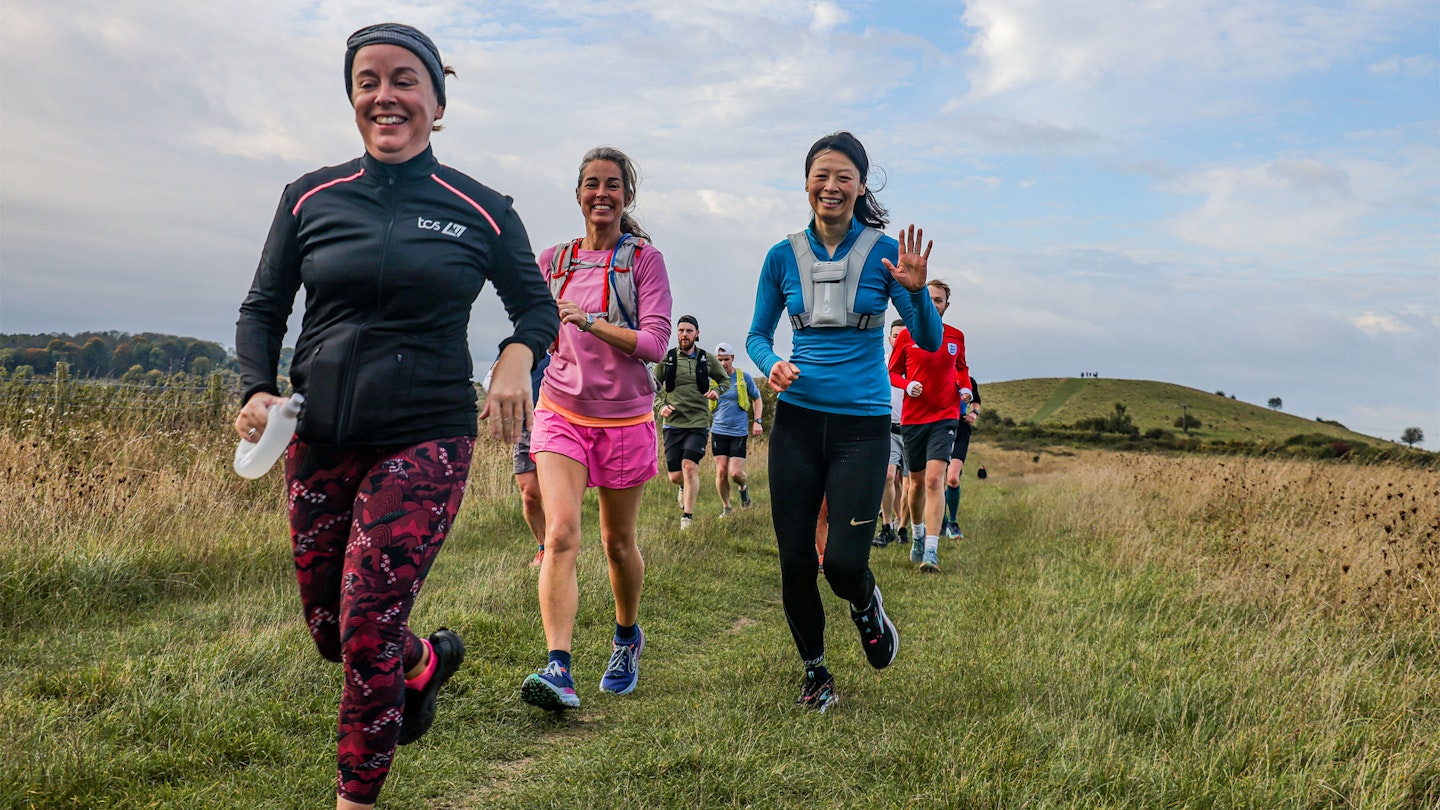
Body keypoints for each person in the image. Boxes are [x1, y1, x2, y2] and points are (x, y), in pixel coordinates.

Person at [233, 23, 558, 810]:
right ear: (353, 98)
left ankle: (355, 798)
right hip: (319, 435)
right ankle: (423, 664)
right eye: (368, 80)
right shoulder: (309, 197)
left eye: (405, 79)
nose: (386, 95)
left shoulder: (481, 208)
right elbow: (263, 308)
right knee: (330, 631)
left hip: (426, 436)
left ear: (436, 103)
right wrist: (255, 388)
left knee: (367, 626)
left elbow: (536, 310)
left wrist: (517, 357)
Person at [747, 131, 941, 713]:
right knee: (796, 560)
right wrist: (772, 364)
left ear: (860, 186)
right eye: (821, 175)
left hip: (861, 426)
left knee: (844, 563)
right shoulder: (782, 255)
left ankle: (866, 607)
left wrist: (917, 293)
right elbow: (758, 334)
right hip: (799, 425)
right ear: (806, 182)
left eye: (844, 177)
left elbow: (928, 341)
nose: (831, 186)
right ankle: (816, 673)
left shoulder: (884, 254)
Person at [520, 146, 674, 712]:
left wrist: (590, 322)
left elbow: (656, 344)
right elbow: (535, 328)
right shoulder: (553, 261)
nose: (601, 194)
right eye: (592, 184)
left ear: (626, 196)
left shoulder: (644, 261)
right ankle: (558, 667)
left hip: (625, 420)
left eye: (613, 185)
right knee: (560, 534)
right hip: (560, 411)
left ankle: (626, 636)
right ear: (578, 193)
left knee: (617, 544)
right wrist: (508, 368)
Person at [888, 279, 971, 574]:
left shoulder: (956, 336)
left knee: (936, 480)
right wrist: (907, 383)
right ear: (920, 303)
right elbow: (893, 372)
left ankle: (932, 552)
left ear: (946, 306)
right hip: (913, 419)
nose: (935, 304)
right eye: (930, 299)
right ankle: (919, 533)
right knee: (916, 484)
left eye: (939, 300)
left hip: (945, 416)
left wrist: (964, 389)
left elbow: (961, 368)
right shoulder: (907, 336)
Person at [655, 315, 730, 529]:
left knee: (689, 467)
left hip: (698, 422)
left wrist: (716, 391)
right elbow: (651, 386)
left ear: (697, 334)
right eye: (681, 330)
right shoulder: (668, 358)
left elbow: (725, 380)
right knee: (675, 476)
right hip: (673, 424)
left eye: (689, 331)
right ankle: (682, 488)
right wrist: (661, 406)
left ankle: (687, 517)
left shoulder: (706, 359)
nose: (684, 334)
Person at [485, 354, 552, 567]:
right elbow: (489, 382)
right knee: (530, 497)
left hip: (554, 429)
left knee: (554, 496)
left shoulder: (568, 344)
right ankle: (543, 547)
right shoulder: (522, 344)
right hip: (523, 429)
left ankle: (559, 547)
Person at [710, 342, 763, 516]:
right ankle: (726, 508)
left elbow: (757, 399)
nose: (723, 363)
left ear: (732, 358)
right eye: (719, 360)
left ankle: (743, 488)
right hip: (718, 430)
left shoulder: (743, 377)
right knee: (722, 471)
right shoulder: (712, 380)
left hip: (738, 432)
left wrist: (757, 421)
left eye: (726, 359)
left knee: (735, 473)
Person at [874, 318, 908, 547]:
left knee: (910, 484)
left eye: (904, 335)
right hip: (888, 428)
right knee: (887, 476)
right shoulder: (881, 363)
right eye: (896, 336)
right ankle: (887, 527)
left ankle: (904, 526)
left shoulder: (918, 364)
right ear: (889, 339)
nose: (899, 340)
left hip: (914, 430)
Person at [941, 377, 980, 539]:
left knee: (953, 479)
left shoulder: (968, 380)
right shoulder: (937, 375)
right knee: (938, 480)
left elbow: (976, 402)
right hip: (939, 428)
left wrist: (974, 413)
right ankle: (940, 522)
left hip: (961, 429)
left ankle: (953, 522)